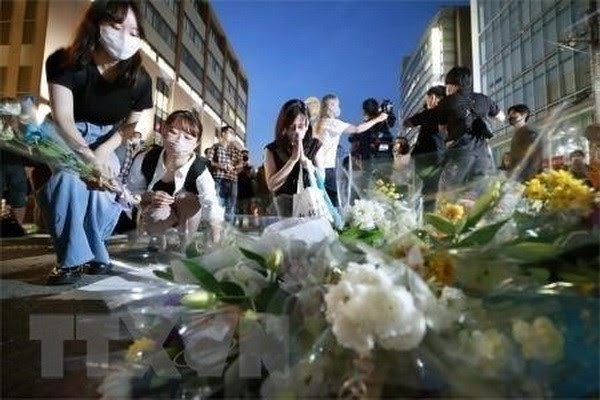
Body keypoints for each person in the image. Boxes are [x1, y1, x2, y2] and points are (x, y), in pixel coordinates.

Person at [40, 0, 153, 284]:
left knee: (105, 184)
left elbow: (130, 126)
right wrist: (87, 158)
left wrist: (102, 152)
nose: (125, 35)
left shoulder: (140, 79)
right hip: (66, 134)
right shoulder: (64, 63)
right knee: (68, 179)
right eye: (116, 26)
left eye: (133, 30)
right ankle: (71, 259)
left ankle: (95, 248)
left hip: (109, 137)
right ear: (97, 24)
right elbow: (63, 118)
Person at [127, 110, 223, 248]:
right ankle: (156, 244)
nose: (179, 141)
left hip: (188, 214)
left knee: (186, 198)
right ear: (164, 131)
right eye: (173, 132)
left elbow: (210, 202)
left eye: (187, 138)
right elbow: (131, 192)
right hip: (157, 212)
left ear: (196, 144)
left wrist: (216, 234)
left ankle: (184, 246)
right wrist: (150, 197)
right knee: (156, 214)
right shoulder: (146, 158)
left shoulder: (199, 169)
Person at [436, 66, 505, 201]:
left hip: (460, 157)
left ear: (452, 85)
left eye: (447, 85)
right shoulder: (484, 99)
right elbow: (501, 118)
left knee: (449, 198)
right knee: (477, 199)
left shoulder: (446, 102)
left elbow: (441, 128)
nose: (446, 89)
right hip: (483, 157)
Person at [314, 94, 388, 206]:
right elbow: (357, 129)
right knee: (337, 200)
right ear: (331, 106)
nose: (338, 108)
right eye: (336, 105)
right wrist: (378, 119)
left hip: (318, 168)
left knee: (325, 200)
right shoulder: (332, 123)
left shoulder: (319, 123)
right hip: (327, 168)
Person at [264, 99, 322, 217]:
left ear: (307, 126)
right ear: (284, 129)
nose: (297, 132)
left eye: (300, 126)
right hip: (283, 211)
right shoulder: (271, 150)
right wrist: (292, 160)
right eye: (292, 127)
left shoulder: (315, 146)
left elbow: (321, 181)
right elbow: (271, 185)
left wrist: (305, 162)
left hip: (310, 208)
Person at [404, 86, 447, 209]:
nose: (426, 101)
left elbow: (407, 122)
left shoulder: (430, 113)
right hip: (441, 156)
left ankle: (426, 217)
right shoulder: (449, 113)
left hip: (426, 158)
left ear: (433, 97)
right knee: (435, 189)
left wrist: (426, 109)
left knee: (425, 191)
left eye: (427, 98)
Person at [206, 125, 243, 222]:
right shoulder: (215, 147)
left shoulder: (236, 149)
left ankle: (228, 230)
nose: (232, 135)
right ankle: (216, 230)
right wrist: (221, 166)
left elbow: (241, 164)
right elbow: (208, 161)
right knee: (218, 204)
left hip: (232, 180)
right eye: (230, 132)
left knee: (231, 205)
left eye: (233, 133)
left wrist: (234, 167)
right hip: (219, 178)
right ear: (223, 134)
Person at [507, 104, 544, 182]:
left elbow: (535, 159)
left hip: (527, 179)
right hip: (516, 179)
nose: (510, 117)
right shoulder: (516, 135)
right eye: (509, 115)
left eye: (514, 114)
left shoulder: (530, 133)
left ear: (524, 115)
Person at [236, 149, 255, 215]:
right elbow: (235, 173)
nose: (245, 155)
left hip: (248, 189)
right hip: (240, 189)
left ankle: (250, 223)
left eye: (246, 153)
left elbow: (252, 176)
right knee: (240, 207)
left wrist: (248, 169)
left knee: (249, 208)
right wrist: (241, 167)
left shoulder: (250, 166)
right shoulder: (238, 164)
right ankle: (239, 223)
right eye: (243, 153)